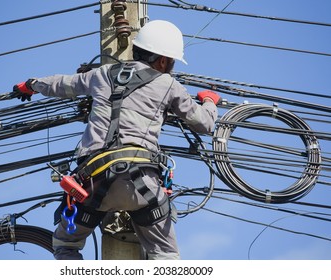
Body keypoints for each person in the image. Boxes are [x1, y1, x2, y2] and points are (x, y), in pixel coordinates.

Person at [13, 20, 220, 260]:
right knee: (165, 255)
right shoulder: (169, 85)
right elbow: (204, 123)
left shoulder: (102, 74)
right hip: (142, 186)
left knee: (65, 244)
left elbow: (62, 84)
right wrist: (209, 100)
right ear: (163, 60)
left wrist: (31, 85)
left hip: (93, 183)